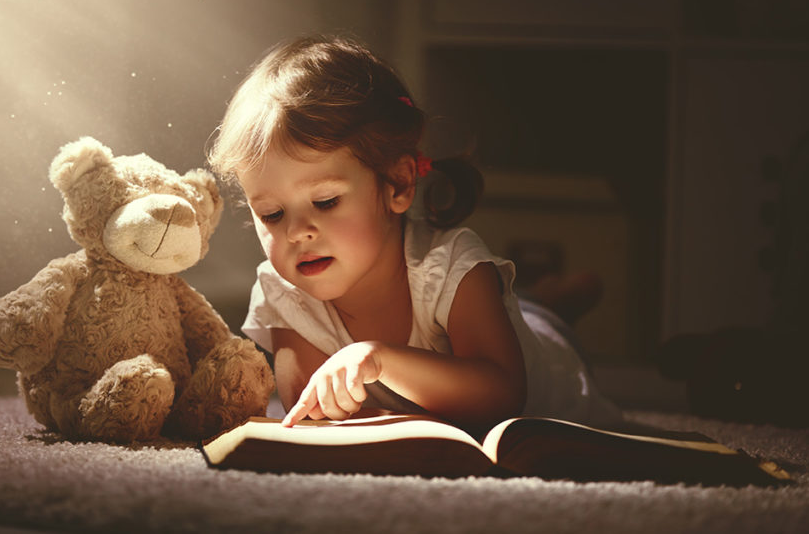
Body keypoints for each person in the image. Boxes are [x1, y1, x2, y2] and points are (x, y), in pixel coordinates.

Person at [206, 34, 620, 432]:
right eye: (273, 214)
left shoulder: (454, 266)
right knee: (526, 308)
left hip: (553, 361)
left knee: (543, 324)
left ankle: (558, 302)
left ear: (399, 184)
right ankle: (540, 299)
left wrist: (380, 359)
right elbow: (311, 414)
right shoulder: (285, 293)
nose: (297, 232)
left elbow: (502, 392)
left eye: (326, 202)